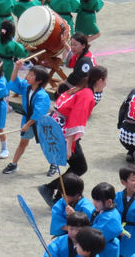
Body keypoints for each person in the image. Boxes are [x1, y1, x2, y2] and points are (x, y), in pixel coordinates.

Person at [38, 66, 108, 207]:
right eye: (106, 80)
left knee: (77, 167)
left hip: (56, 124)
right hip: (64, 131)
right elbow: (76, 121)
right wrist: (69, 147)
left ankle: (58, 195)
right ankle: (50, 188)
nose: (106, 84)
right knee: (80, 167)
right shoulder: (88, 95)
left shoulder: (79, 88)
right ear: (100, 81)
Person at [2, 62, 50, 174]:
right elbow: (14, 81)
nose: (28, 76)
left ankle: (53, 164)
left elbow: (38, 114)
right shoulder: (26, 86)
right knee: (23, 142)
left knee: (47, 144)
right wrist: (17, 67)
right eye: (29, 73)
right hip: (27, 120)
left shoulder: (42, 96)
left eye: (32, 75)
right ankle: (14, 164)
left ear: (39, 81)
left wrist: (27, 125)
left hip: (39, 123)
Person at [56, 32, 97, 100]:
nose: (72, 47)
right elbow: (71, 52)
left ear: (83, 45)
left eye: (75, 45)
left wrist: (64, 83)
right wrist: (64, 43)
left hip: (91, 91)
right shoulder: (81, 54)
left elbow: (79, 79)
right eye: (71, 44)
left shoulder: (85, 61)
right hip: (83, 85)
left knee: (61, 91)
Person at [90, 182, 122, 257]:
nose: (94, 203)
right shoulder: (105, 210)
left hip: (106, 251)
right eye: (94, 199)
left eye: (97, 201)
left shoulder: (109, 219)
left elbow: (93, 237)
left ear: (109, 202)